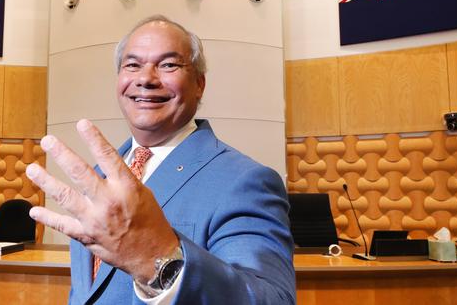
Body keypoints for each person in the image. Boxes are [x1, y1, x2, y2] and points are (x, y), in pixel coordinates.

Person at [26, 15, 295, 304]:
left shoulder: (245, 181)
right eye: (132, 65)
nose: (145, 79)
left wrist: (155, 256)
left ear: (199, 84)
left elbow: (272, 300)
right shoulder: (99, 177)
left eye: (168, 65)